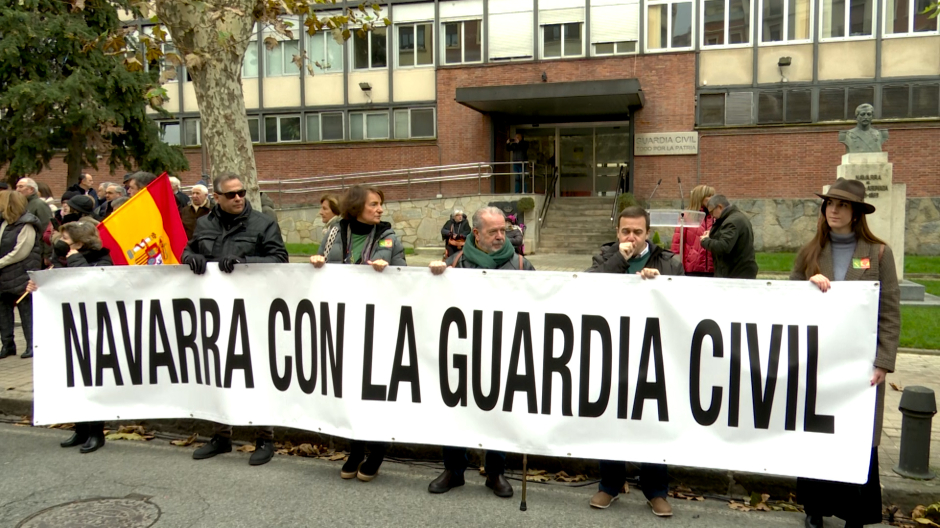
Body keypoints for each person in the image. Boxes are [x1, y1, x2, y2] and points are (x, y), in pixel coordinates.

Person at [791, 178, 900, 528]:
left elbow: (889, 311)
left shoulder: (879, 253)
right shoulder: (809, 252)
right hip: (819, 363)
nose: (833, 210)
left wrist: (883, 361)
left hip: (858, 367)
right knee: (818, 434)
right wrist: (807, 287)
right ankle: (815, 508)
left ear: (856, 214)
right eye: (829, 204)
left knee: (856, 436)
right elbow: (787, 301)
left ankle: (857, 513)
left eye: (842, 205)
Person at [426, 206, 535, 499]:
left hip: (502, 351)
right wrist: (434, 276)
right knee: (456, 407)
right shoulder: (454, 264)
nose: (502, 237)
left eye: (504, 230)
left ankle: (496, 471)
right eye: (493, 232)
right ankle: (454, 469)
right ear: (476, 233)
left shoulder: (522, 266)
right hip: (462, 351)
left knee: (498, 410)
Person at [181, 173, 288, 466]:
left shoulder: (262, 223)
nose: (239, 197)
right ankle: (221, 435)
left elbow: (280, 259)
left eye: (241, 192)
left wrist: (246, 264)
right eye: (231, 194)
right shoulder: (204, 223)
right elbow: (189, 249)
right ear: (217, 197)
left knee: (255, 372)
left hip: (252, 312)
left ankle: (264, 437)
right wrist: (189, 257)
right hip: (214, 312)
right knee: (218, 370)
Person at [585, 205, 681, 517]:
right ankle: (609, 485)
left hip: (654, 353)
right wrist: (620, 260)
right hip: (612, 349)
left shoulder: (667, 262)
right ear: (617, 233)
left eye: (637, 232)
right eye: (626, 231)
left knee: (652, 419)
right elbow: (587, 287)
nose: (631, 237)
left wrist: (660, 282)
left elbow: (684, 301)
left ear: (647, 233)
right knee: (612, 417)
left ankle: (656, 490)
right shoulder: (605, 258)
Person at [310, 185, 405, 482]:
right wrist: (317, 264)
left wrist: (389, 269)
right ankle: (355, 449)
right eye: (374, 204)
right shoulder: (335, 233)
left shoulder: (389, 237)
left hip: (378, 326)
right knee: (350, 390)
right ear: (356, 207)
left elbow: (404, 277)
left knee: (375, 390)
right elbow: (324, 267)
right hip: (345, 324)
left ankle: (377, 450)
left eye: (381, 204)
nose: (380, 209)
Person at [26, 221, 113, 453]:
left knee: (91, 379)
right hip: (68, 326)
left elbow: (91, 282)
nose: (59, 242)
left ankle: (96, 432)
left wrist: (74, 258)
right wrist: (37, 285)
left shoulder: (102, 259)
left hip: (93, 328)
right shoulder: (59, 261)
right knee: (73, 377)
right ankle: (80, 429)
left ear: (79, 242)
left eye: (64, 239)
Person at [0, 191, 42, 360]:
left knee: (26, 311)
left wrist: (1, 262)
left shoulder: (27, 224)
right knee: (3, 310)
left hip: (21, 272)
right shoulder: (4, 223)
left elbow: (21, 251)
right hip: (4, 274)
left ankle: (32, 345)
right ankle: (7, 344)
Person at [699, 195, 758, 279]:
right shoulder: (735, 217)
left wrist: (705, 240)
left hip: (736, 273)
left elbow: (724, 246)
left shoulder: (732, 222)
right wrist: (712, 235)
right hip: (739, 271)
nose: (712, 216)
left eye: (712, 212)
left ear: (719, 207)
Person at [671, 185, 716, 277]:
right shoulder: (686, 216)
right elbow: (677, 243)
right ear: (699, 197)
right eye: (709, 196)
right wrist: (676, 266)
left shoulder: (716, 216)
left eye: (713, 196)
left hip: (714, 267)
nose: (712, 199)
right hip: (692, 268)